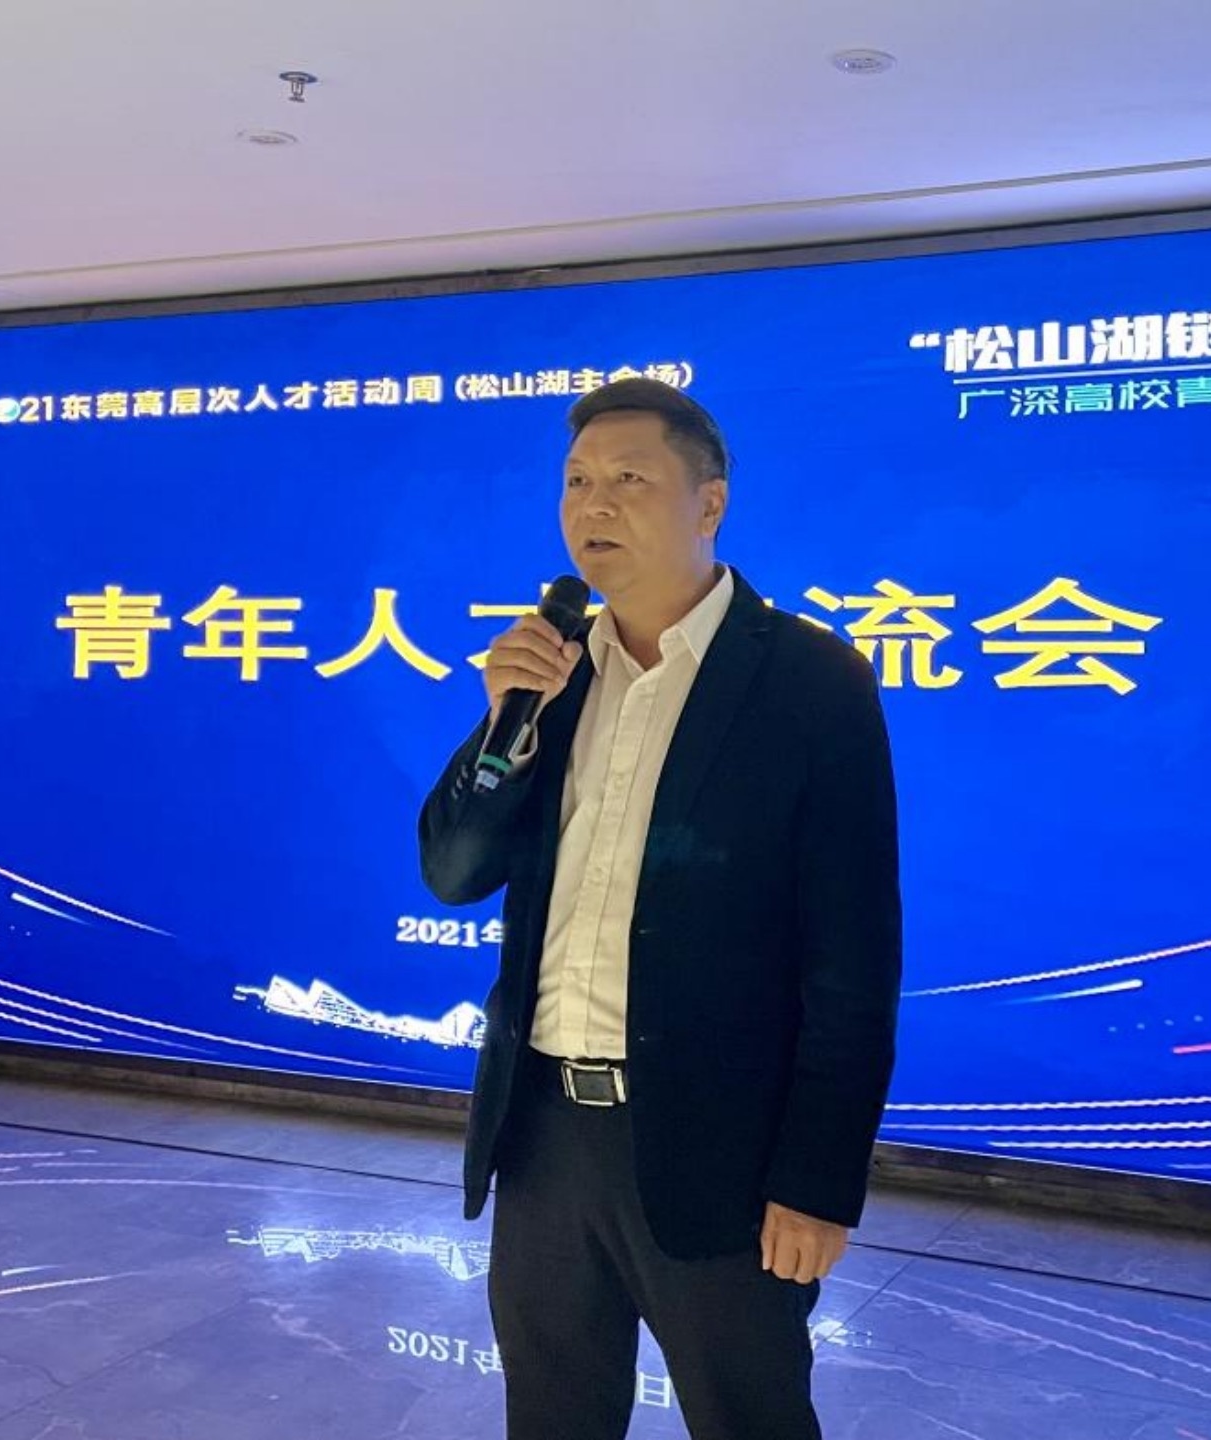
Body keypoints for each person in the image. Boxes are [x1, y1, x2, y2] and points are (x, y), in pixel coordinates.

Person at [418, 377, 901, 1440]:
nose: (593, 504)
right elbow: (451, 873)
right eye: (576, 481)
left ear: (709, 503)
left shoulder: (809, 682)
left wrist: (819, 1182)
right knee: (553, 1416)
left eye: (629, 479)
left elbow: (854, 956)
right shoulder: (550, 678)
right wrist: (502, 723)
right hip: (543, 1138)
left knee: (750, 1418)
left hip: (722, 1150)